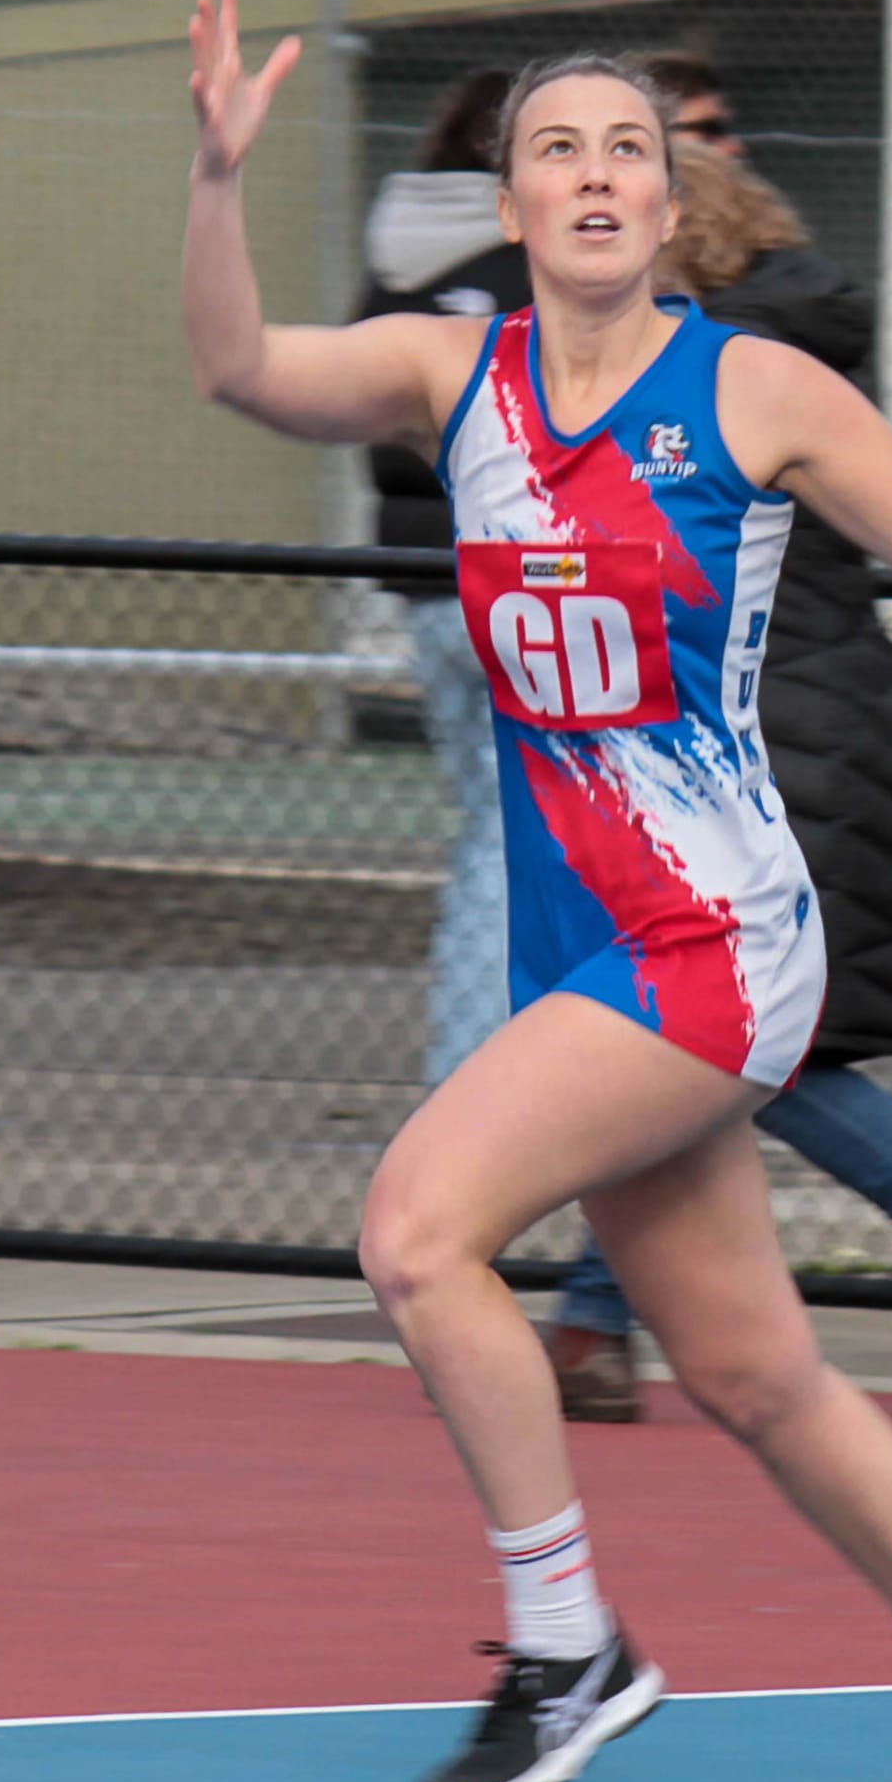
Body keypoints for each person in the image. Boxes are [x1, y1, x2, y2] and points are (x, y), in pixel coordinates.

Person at [181, 0, 892, 1782]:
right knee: (757, 1372)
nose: (598, 175)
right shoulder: (460, 383)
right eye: (559, 150)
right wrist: (213, 177)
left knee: (416, 1228)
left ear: (670, 199)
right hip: (582, 937)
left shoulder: (755, 389)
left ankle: (567, 1637)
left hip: (713, 934)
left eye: (629, 148)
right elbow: (239, 372)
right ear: (511, 200)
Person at [545, 140, 892, 1437]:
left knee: (725, 1043)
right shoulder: (777, 371)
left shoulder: (706, 390)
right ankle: (591, 1327)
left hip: (766, 756)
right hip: (820, 739)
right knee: (689, 1042)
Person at [355, 68, 531, 1085]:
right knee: (527, 841)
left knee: (492, 832)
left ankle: (489, 1069)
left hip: (426, 585)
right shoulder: (529, 265)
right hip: (517, 578)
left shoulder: (395, 259)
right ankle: (476, 1080)